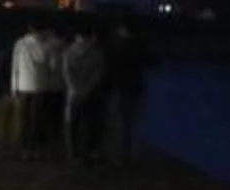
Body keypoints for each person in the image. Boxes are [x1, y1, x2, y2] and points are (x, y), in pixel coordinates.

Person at [9, 16, 65, 158]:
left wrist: (14, 87)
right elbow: (54, 66)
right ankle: (38, 148)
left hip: (23, 85)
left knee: (25, 119)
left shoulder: (20, 43)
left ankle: (25, 148)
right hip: (43, 86)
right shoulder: (52, 44)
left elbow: (15, 66)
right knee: (40, 119)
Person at [61, 22, 112, 162]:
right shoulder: (96, 52)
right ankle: (88, 151)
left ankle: (73, 152)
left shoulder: (69, 51)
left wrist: (74, 88)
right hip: (91, 93)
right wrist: (87, 88)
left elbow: (66, 72)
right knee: (90, 123)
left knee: (72, 123)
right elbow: (98, 74)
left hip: (73, 93)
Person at [103, 21, 151, 160]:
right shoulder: (138, 46)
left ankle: (118, 152)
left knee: (117, 119)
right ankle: (128, 151)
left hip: (118, 86)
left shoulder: (114, 46)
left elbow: (109, 66)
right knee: (130, 121)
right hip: (133, 86)